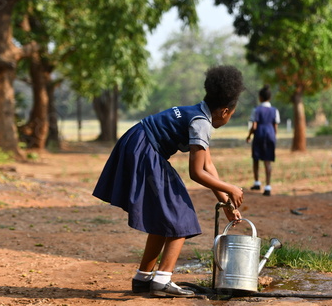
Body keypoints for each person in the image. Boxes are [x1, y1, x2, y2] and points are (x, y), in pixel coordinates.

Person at [92, 66, 245, 298]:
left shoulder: (198, 112)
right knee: (180, 214)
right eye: (232, 113)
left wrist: (227, 205)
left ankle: (143, 277)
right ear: (225, 111)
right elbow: (196, 173)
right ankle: (163, 280)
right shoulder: (201, 123)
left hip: (138, 142)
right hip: (145, 149)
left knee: (166, 216)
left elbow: (208, 166)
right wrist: (231, 188)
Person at [246, 85, 280, 196]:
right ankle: (268, 186)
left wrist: (249, 136)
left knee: (256, 159)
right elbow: (275, 126)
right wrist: (274, 136)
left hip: (259, 135)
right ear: (270, 97)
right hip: (270, 135)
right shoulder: (275, 110)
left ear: (260, 97)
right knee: (267, 161)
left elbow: (254, 125)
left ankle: (256, 182)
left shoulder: (256, 110)